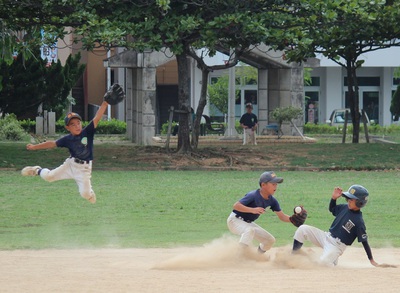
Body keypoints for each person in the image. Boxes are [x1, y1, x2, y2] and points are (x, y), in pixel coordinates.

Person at [21, 100, 110, 204]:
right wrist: (34, 147)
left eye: (78, 123)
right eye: (73, 124)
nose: (77, 126)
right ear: (67, 128)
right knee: (49, 177)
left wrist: (105, 103)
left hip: (84, 169)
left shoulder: (87, 132)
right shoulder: (67, 139)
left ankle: (90, 194)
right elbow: (52, 144)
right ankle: (37, 170)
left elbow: (97, 118)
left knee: (85, 194)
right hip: (70, 165)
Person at [292, 184, 381, 267]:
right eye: (348, 199)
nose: (348, 201)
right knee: (302, 229)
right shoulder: (344, 207)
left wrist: (371, 260)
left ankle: (332, 260)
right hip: (326, 237)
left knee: (323, 263)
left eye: (351, 199)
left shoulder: (359, 222)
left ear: (359, 202)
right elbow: (332, 209)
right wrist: (333, 199)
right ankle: (293, 256)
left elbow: (364, 241)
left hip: (336, 246)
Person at [227, 171, 293, 255]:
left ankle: (258, 256)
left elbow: (282, 216)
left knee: (270, 240)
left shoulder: (272, 200)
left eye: (276, 184)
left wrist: (293, 219)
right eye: (273, 183)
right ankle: (239, 256)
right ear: (263, 185)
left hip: (248, 223)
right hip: (234, 220)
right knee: (249, 230)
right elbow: (236, 205)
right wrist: (252, 210)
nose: (275, 186)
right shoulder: (253, 195)